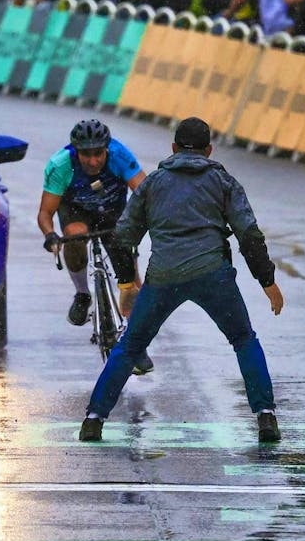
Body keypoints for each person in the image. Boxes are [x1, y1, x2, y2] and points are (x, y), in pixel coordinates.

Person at [78, 117, 284, 445]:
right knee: (244, 339)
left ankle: (94, 419)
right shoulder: (224, 182)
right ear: (209, 150)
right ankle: (266, 416)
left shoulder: (153, 184)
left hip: (163, 278)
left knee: (130, 346)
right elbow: (249, 235)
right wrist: (267, 281)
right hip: (213, 275)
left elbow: (122, 237)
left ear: (173, 148)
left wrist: (128, 283)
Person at [37, 119, 154, 374]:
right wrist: (50, 235)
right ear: (75, 151)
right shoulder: (61, 164)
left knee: (131, 281)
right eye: (86, 155)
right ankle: (82, 294)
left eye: (98, 154)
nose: (92, 161)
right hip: (76, 212)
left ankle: (136, 343)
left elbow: (146, 193)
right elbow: (45, 213)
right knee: (74, 237)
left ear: (107, 149)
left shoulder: (120, 155)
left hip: (113, 212)